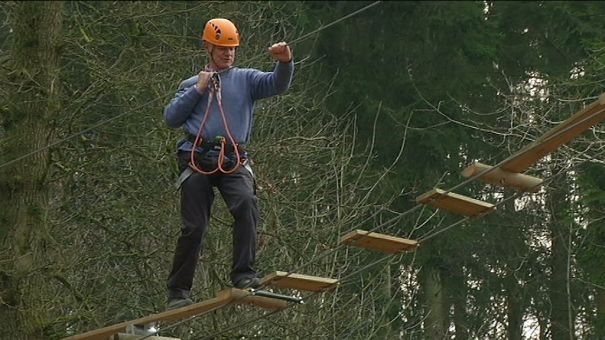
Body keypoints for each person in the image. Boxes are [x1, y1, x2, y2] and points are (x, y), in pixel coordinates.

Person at [163, 18, 294, 309]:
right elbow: (171, 118)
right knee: (194, 227)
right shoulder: (190, 84)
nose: (228, 54)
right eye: (222, 48)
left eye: (232, 48)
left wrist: (285, 62)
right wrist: (198, 89)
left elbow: (277, 84)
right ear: (208, 47)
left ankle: (244, 275)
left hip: (233, 158)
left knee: (246, 202)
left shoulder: (246, 79)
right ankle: (178, 292)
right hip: (197, 159)